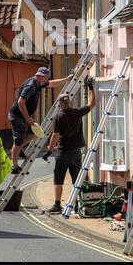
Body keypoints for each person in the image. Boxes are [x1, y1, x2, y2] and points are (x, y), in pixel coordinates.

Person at [43, 78, 96, 213]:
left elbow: (55, 135)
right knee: (76, 179)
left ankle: (56, 205)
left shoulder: (58, 116)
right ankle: (78, 204)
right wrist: (90, 87)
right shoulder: (77, 112)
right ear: (69, 102)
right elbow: (92, 104)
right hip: (76, 152)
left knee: (58, 179)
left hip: (62, 152)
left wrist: (49, 150)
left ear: (61, 103)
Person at [9, 67, 72, 174]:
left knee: (35, 133)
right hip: (17, 116)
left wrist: (66, 80)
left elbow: (51, 84)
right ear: (41, 76)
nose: (46, 79)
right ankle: (14, 166)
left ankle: (17, 149)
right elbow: (21, 102)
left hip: (24, 116)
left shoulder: (38, 83)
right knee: (18, 141)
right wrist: (28, 118)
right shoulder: (30, 86)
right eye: (45, 77)